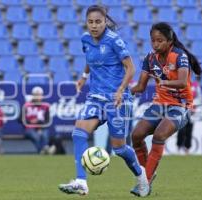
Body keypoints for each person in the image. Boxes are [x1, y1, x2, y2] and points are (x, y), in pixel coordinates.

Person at [59, 5, 149, 197]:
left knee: (119, 149)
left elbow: (131, 68)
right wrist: (84, 76)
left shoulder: (114, 41)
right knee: (78, 133)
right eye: (90, 22)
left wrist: (121, 90)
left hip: (117, 100)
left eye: (98, 22)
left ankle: (141, 177)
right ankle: (81, 182)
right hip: (96, 98)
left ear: (105, 21)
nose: (94, 26)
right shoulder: (85, 39)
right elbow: (90, 60)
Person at [130, 22, 202, 196]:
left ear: (169, 41)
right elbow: (140, 86)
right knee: (136, 135)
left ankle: (144, 181)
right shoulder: (150, 58)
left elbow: (182, 82)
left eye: (159, 41)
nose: (155, 44)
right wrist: (123, 91)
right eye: (153, 41)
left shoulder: (179, 56)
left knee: (159, 135)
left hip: (180, 106)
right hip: (158, 105)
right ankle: (149, 173)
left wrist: (164, 82)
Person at [176, 77, 202, 155]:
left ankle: (187, 148)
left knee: (189, 129)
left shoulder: (195, 85)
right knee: (181, 129)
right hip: (182, 110)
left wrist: (192, 104)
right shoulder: (180, 84)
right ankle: (179, 146)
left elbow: (200, 97)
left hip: (192, 111)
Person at [23, 86, 53, 154]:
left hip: (42, 128)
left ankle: (44, 150)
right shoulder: (27, 105)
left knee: (45, 134)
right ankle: (43, 151)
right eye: (36, 95)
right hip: (29, 128)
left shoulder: (45, 106)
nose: (38, 97)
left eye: (39, 95)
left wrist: (39, 124)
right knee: (36, 136)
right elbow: (20, 119)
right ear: (33, 96)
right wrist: (30, 122)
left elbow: (48, 121)